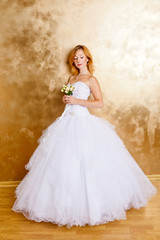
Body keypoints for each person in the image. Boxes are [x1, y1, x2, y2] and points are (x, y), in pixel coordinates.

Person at [12, 45, 158, 228]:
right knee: (64, 164)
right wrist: (67, 100)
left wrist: (76, 101)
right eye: (75, 58)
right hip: (66, 123)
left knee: (86, 163)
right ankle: (64, 205)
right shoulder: (72, 78)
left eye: (81, 57)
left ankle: (93, 207)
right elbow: (70, 101)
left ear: (88, 59)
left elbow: (99, 103)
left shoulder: (91, 79)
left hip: (83, 123)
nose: (78, 60)